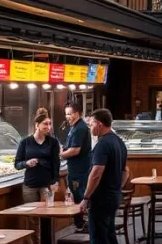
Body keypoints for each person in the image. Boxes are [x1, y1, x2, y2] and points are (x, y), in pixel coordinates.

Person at [81, 109, 129, 244]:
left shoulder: (102, 144)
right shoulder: (119, 142)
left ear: (99, 124)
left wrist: (86, 197)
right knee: (109, 234)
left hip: (101, 199)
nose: (90, 128)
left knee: (99, 237)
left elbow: (96, 173)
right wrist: (116, 188)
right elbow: (126, 171)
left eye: (91, 124)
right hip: (114, 196)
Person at [15, 113, 62, 208]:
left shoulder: (53, 142)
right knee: (31, 213)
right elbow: (17, 164)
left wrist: (55, 181)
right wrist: (26, 163)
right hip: (30, 185)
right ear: (37, 125)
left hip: (47, 185)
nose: (49, 127)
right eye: (45, 124)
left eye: (50, 124)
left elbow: (56, 163)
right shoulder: (25, 142)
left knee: (47, 212)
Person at [61, 102, 93, 232]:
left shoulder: (80, 128)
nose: (67, 117)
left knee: (80, 197)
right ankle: (81, 224)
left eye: (69, 114)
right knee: (78, 196)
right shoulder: (74, 127)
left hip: (80, 171)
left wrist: (60, 155)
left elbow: (75, 150)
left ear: (77, 113)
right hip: (76, 170)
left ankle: (84, 225)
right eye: (66, 114)